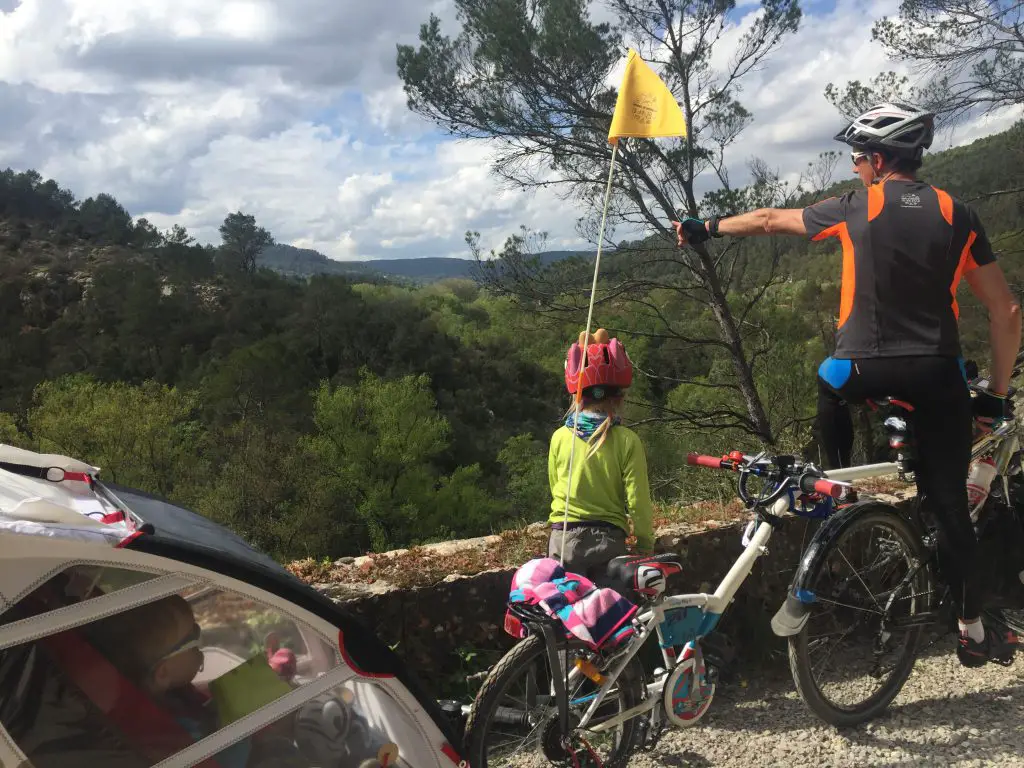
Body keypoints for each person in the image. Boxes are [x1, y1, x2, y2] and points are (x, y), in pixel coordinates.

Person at [672, 103, 1022, 667]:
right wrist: (996, 396)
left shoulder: (856, 205)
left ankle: (828, 489)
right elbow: (1006, 312)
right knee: (950, 510)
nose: (856, 166)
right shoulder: (960, 213)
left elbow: (766, 220)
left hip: (859, 370)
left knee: (829, 380)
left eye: (858, 157)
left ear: (880, 160)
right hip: (937, 377)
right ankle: (972, 630)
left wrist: (704, 228)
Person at [547, 328, 655, 580]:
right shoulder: (627, 440)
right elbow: (638, 501)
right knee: (612, 616)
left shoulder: (559, 437)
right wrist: (645, 545)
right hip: (608, 542)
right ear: (619, 397)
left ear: (576, 394)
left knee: (566, 615)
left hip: (562, 541)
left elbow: (556, 488)